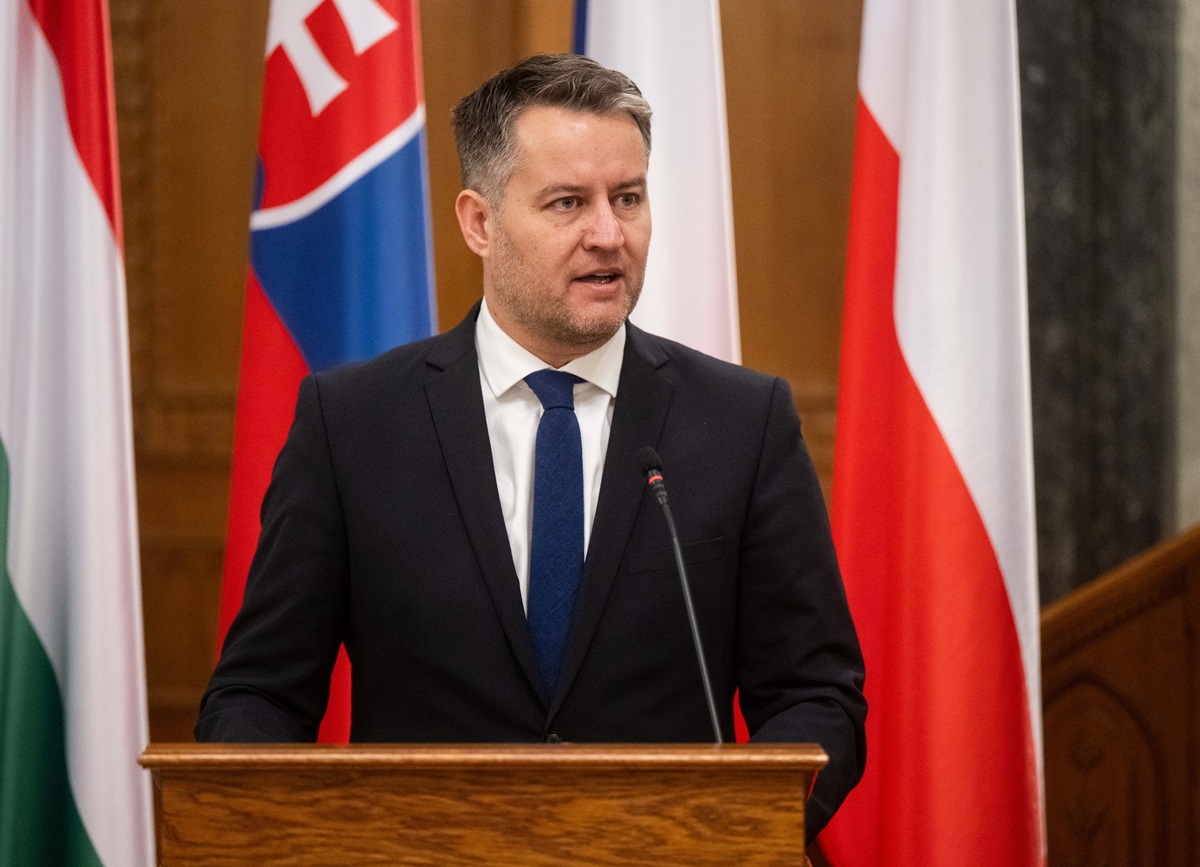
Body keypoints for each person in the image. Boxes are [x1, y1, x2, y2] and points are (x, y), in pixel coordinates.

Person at [197, 53, 866, 838]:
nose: (608, 235)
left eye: (627, 198)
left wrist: (736, 831)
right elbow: (259, 695)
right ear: (479, 222)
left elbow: (816, 694)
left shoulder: (744, 422)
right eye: (567, 203)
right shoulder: (352, 423)